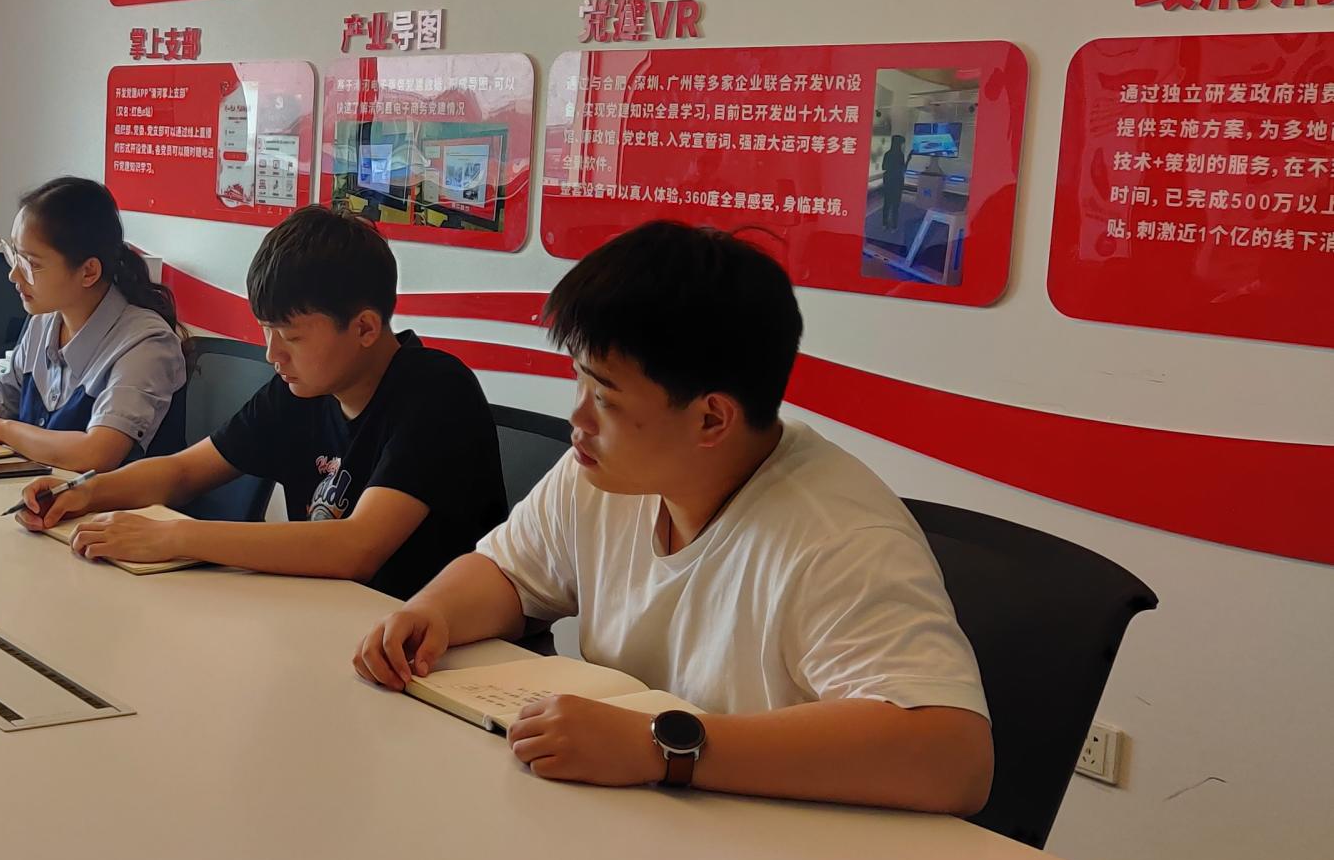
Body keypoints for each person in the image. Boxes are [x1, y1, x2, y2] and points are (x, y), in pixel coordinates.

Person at [353, 220, 991, 815]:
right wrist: (434, 611)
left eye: (605, 397)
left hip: (784, 856)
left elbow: (953, 755)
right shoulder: (602, 471)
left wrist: (660, 746)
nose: (578, 417)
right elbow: (511, 573)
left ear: (711, 419)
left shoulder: (840, 537)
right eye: (579, 380)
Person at [16, 205, 504, 598]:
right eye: (267, 331)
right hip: (323, 616)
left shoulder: (437, 393)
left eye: (292, 336)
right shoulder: (301, 389)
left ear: (364, 328)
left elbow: (355, 548)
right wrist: (87, 492)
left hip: (431, 647)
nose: (273, 354)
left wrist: (173, 537)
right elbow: (184, 471)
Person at [0, 176, 186, 472]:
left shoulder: (146, 343)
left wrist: (0, 430)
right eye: (14, 255)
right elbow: (1, 398)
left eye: (31, 264)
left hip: (117, 505)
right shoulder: (44, 321)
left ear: (88, 272)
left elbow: (97, 452)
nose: (13, 275)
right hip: (41, 492)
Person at [877, 131, 910, 235]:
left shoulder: (887, 154)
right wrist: (909, 159)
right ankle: (894, 226)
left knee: (886, 203)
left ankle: (884, 224)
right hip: (897, 181)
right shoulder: (900, 155)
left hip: (888, 180)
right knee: (895, 205)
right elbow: (903, 169)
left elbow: (883, 167)